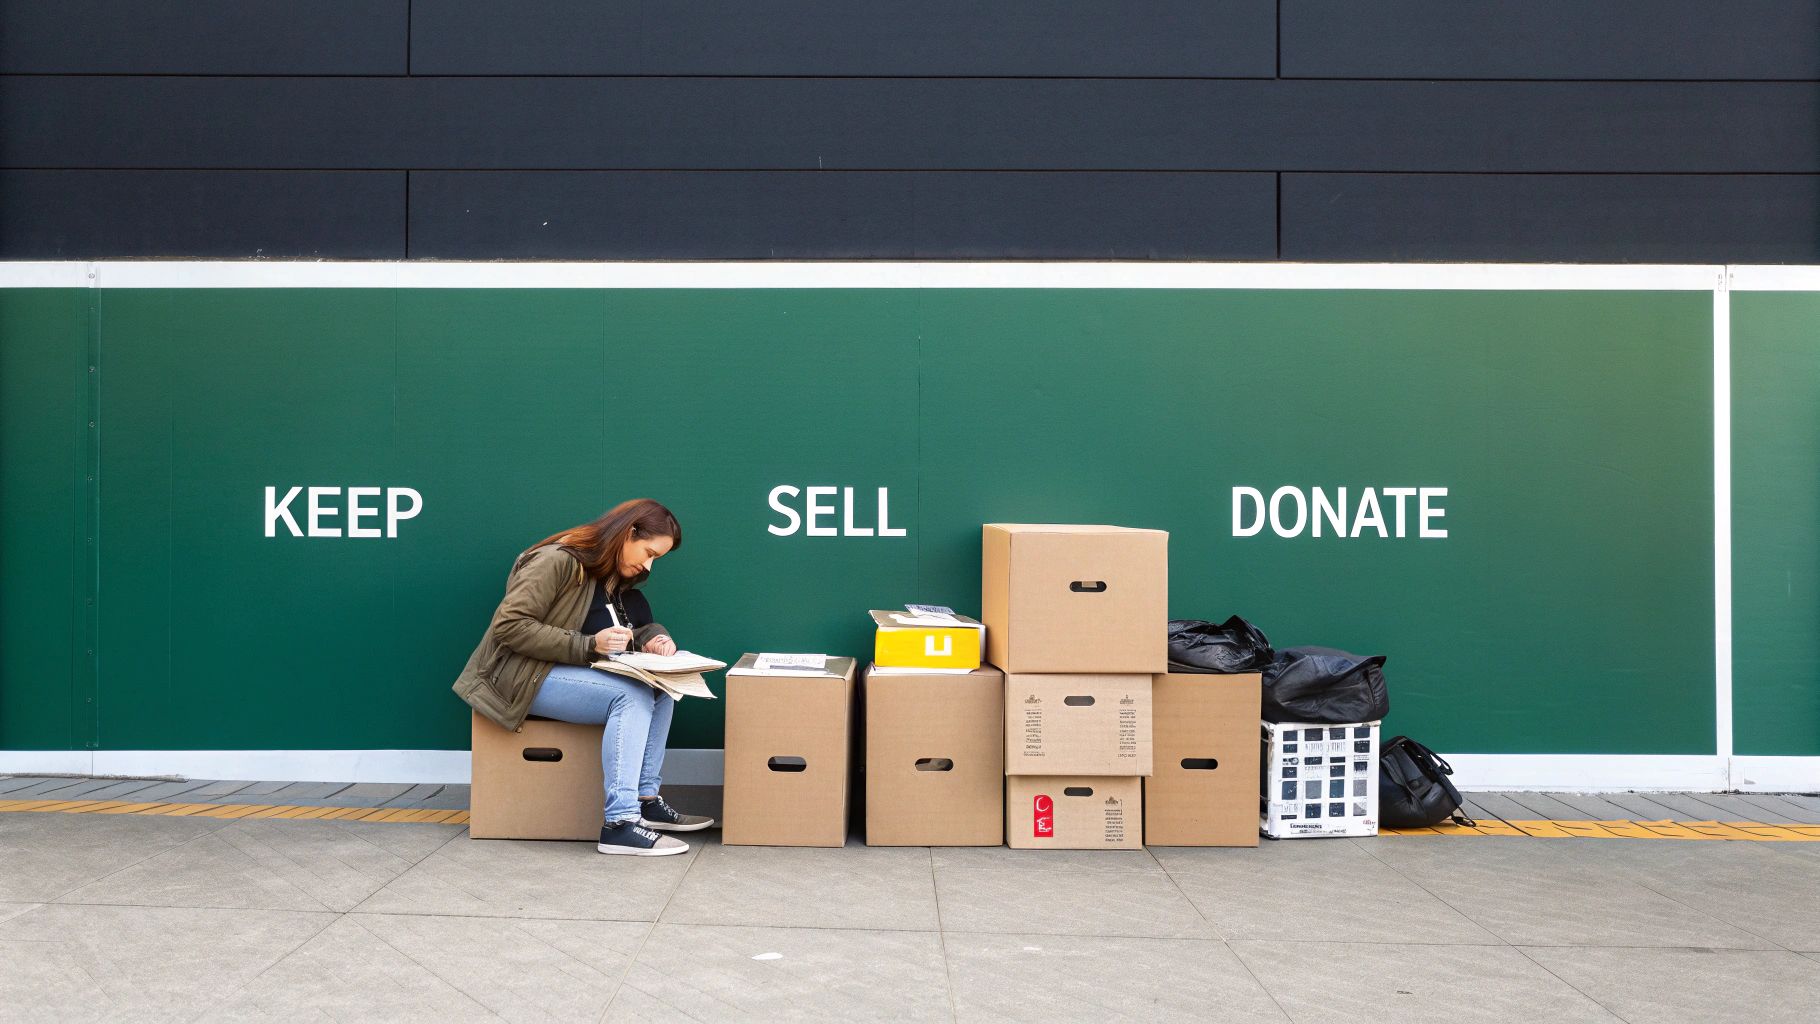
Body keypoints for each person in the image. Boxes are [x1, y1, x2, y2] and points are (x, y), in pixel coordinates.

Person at [453, 498, 713, 856]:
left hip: (562, 669)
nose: (648, 564)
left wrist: (652, 636)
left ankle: (644, 799)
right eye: (648, 552)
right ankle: (620, 824)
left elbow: (612, 625)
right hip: (517, 676)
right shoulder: (557, 561)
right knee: (631, 696)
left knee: (661, 687)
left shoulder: (609, 574)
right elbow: (509, 627)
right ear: (629, 532)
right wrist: (590, 645)